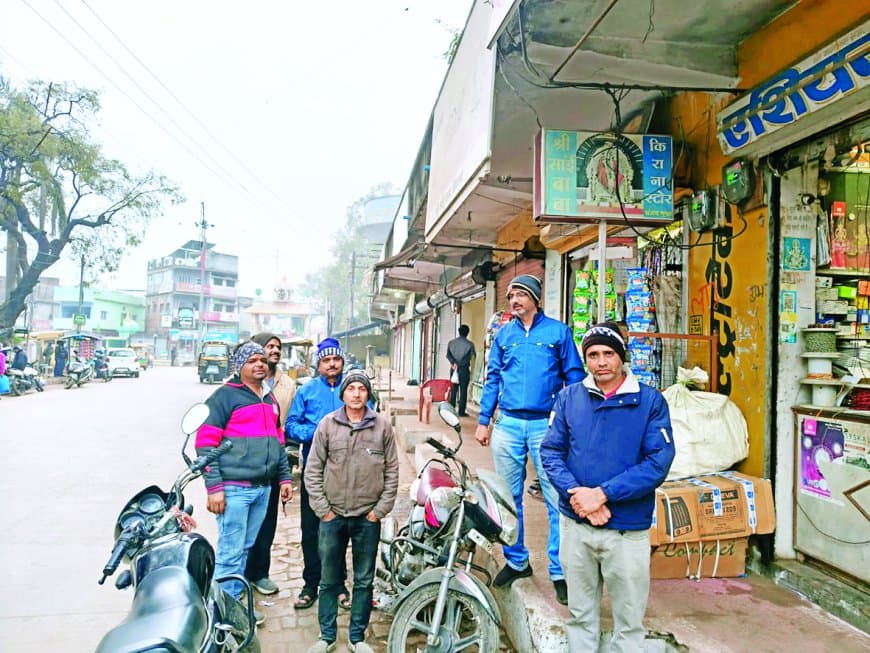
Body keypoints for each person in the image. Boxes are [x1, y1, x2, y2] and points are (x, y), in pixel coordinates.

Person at [540, 322, 675, 652]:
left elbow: (658, 461)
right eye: (593, 354)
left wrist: (602, 494)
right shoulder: (569, 398)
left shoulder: (649, 402)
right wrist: (577, 494)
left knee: (629, 622)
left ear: (621, 357)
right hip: (577, 525)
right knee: (580, 614)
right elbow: (551, 451)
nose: (601, 361)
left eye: (608, 353)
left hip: (626, 531)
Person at [474, 274, 585, 605]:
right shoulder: (504, 336)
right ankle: (517, 561)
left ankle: (559, 571)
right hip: (507, 425)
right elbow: (492, 378)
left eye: (521, 294)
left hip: (544, 427)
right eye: (511, 296)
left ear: (536, 298)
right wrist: (484, 421)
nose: (515, 300)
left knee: (555, 497)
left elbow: (574, 378)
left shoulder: (559, 333)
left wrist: (566, 420)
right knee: (510, 499)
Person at [195, 342, 294, 625]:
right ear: (239, 366)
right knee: (230, 551)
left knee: (246, 548)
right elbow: (205, 444)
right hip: (235, 489)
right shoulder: (224, 397)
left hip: (263, 488)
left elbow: (278, 443)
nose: (260, 364)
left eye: (262, 360)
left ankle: (234, 601)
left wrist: (284, 477)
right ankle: (224, 615)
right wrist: (214, 488)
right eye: (252, 360)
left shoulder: (269, 399)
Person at [304, 370, 398, 653]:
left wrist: (378, 511)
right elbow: (312, 471)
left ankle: (357, 637)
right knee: (329, 578)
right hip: (332, 517)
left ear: (368, 394)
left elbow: (393, 472)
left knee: (364, 580)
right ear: (343, 393)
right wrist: (324, 510)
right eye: (351, 388)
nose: (356, 393)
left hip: (367, 519)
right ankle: (327, 636)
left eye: (362, 389)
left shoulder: (382, 426)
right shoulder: (328, 425)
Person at [285, 337, 351, 611]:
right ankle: (311, 584)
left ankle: (338, 584)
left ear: (342, 362)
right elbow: (290, 426)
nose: (332, 364)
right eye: (326, 360)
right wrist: (316, 433)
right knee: (311, 531)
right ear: (318, 364)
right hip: (315, 472)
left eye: (336, 359)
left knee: (341, 531)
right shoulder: (307, 391)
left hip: (347, 474)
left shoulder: (354, 388)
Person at [244, 332, 297, 596]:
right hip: (244, 465)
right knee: (241, 521)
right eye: (270, 346)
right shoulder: (243, 383)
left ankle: (260, 574)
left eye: (278, 347)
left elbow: (292, 418)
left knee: (268, 521)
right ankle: (237, 576)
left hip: (274, 459)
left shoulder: (288, 384)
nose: (275, 351)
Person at [447, 323, 475, 416]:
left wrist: (453, 363)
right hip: (464, 369)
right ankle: (461, 411)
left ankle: (451, 409)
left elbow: (448, 355)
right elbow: (473, 356)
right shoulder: (470, 345)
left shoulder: (451, 343)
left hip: (454, 368)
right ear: (467, 333)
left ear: (459, 332)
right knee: (463, 390)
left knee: (453, 389)